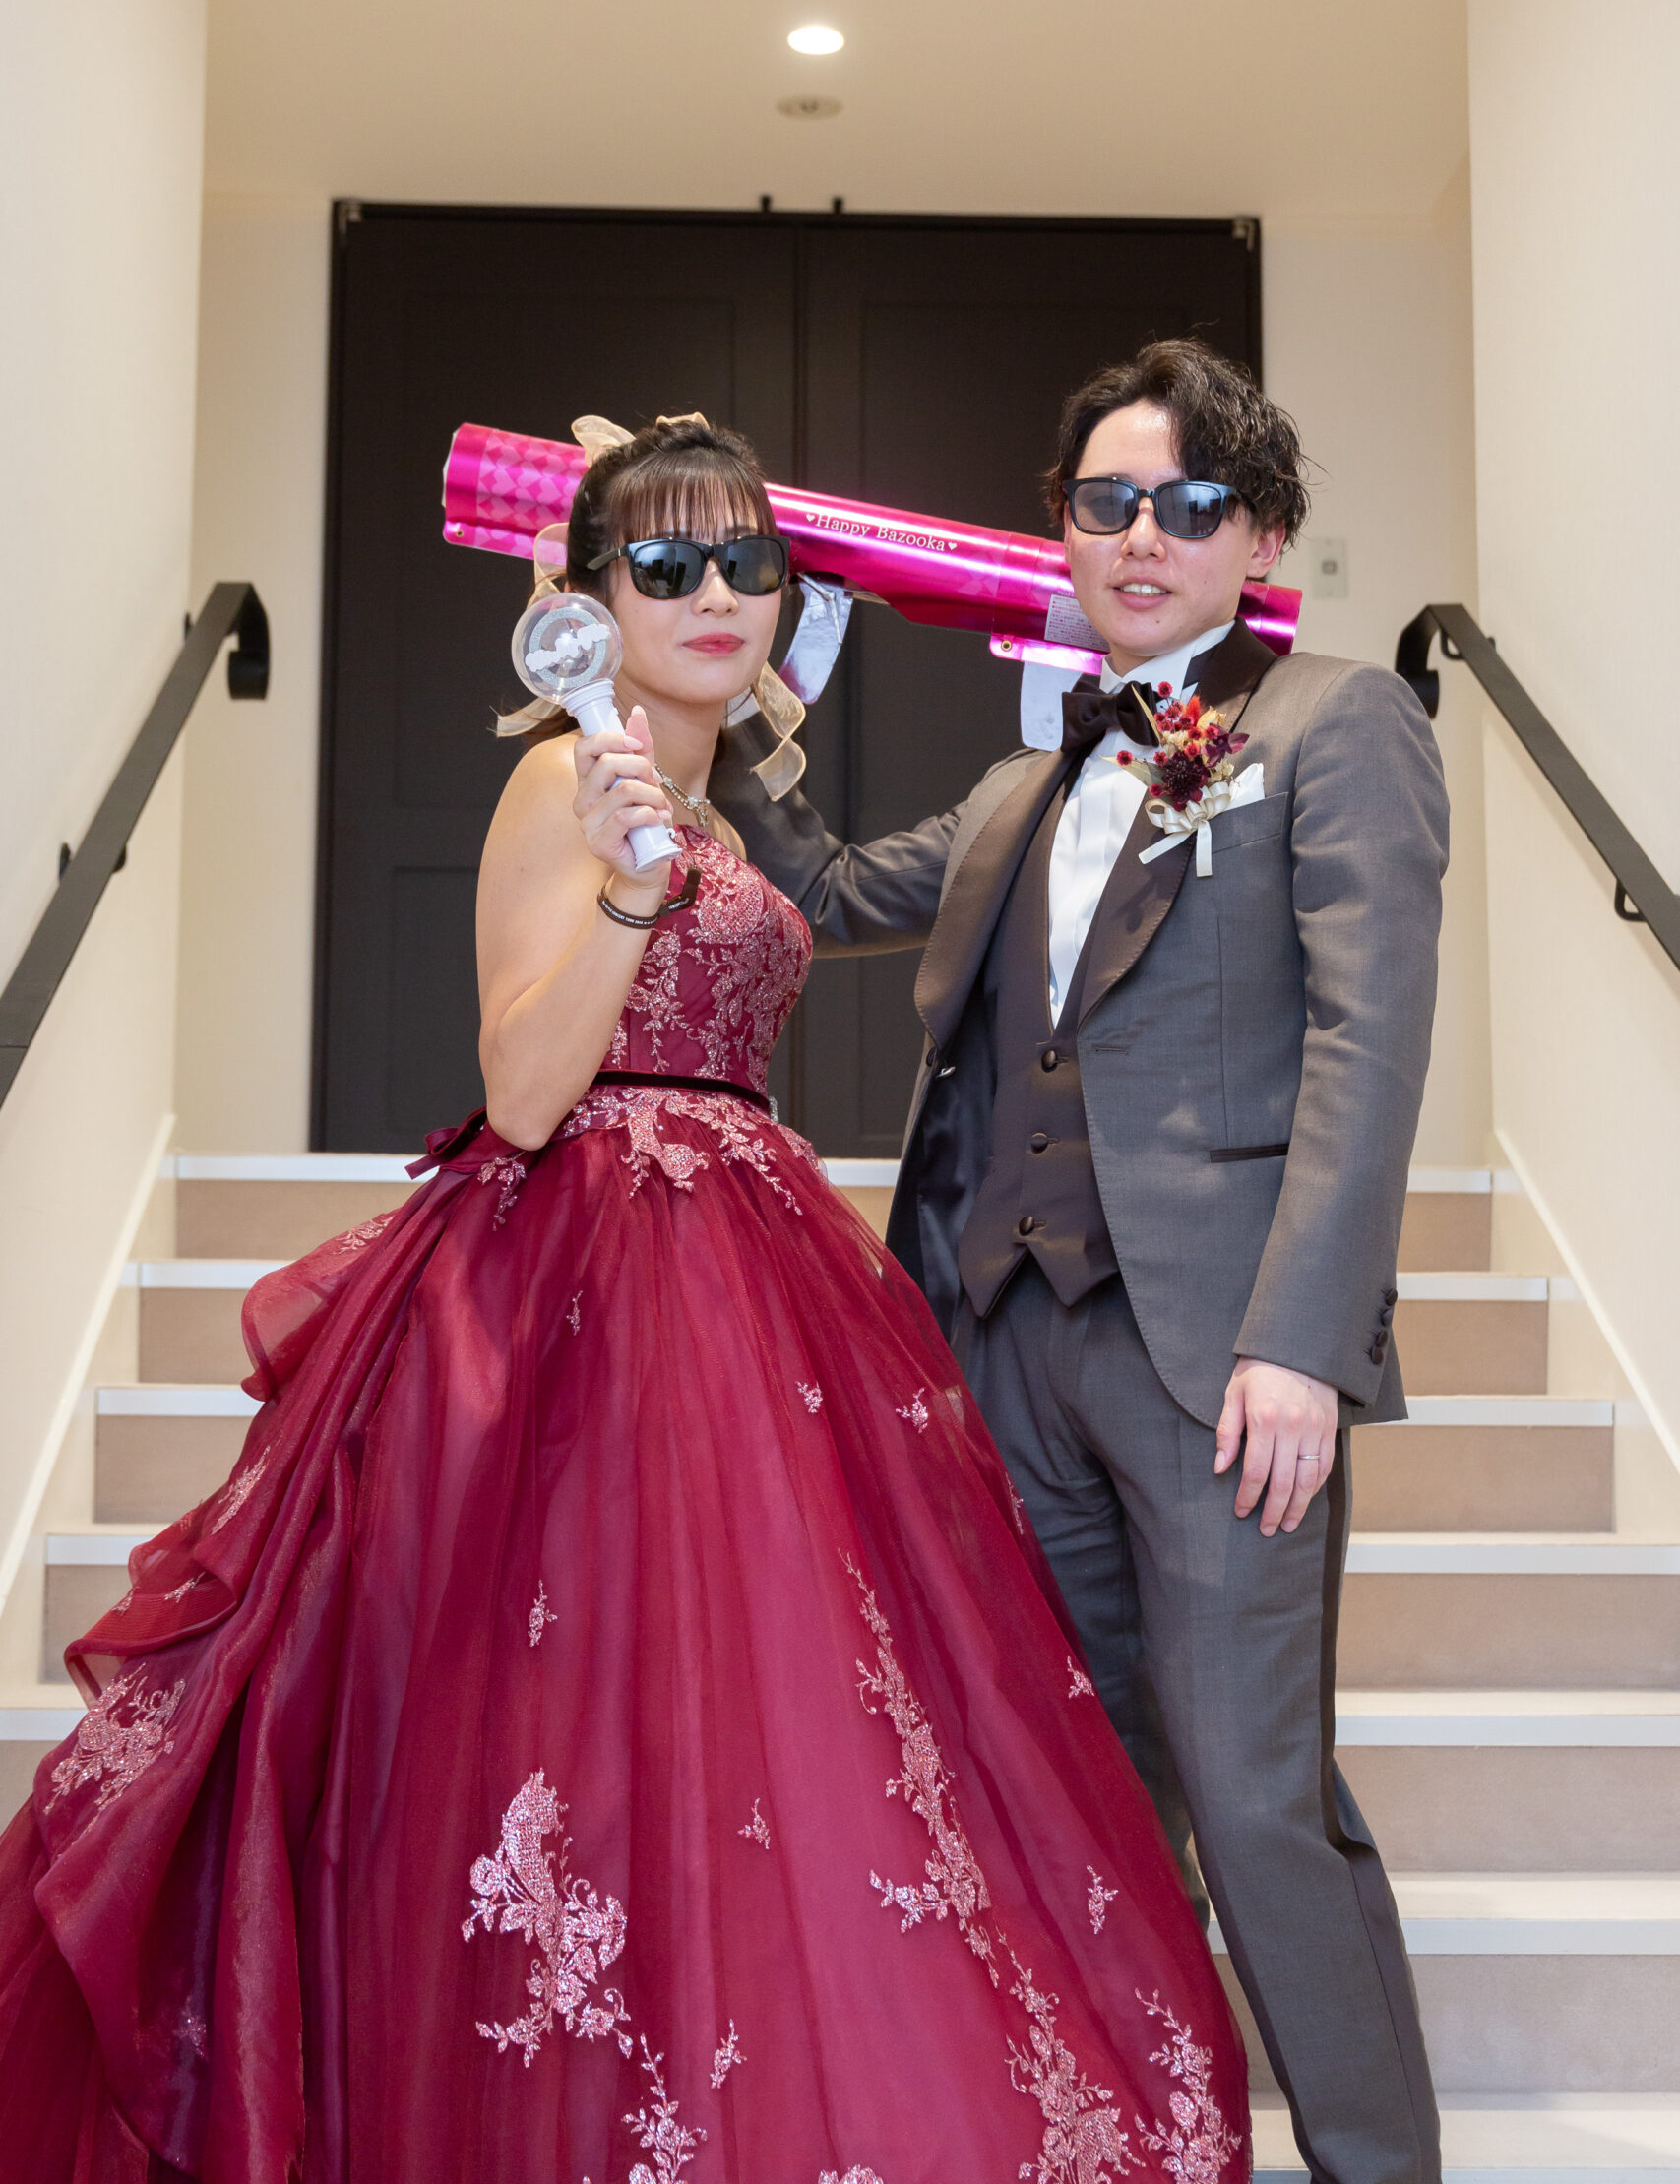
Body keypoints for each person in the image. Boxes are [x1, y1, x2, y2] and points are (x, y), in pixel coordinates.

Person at [0, 415, 1246, 2184]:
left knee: (769, 1736)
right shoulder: (561, 784)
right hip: (590, 1275)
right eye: (665, 564)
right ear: (588, 600)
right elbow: (523, 1093)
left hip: (750, 1250)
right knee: (582, 1731)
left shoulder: (715, 793)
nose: (716, 592)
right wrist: (629, 887)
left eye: (749, 561)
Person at [710, 343, 1450, 2184]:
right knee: (1090, 1806)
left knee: (1256, 1801)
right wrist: (738, 682)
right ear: (1062, 528)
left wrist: (1305, 1341)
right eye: (1109, 501)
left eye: (1190, 505)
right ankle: (1151, 2146)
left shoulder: (1338, 724)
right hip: (998, 1351)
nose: (1143, 534)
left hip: (1220, 1365)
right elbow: (814, 889)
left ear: (1258, 536)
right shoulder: (1015, 792)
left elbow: (1369, 1046)